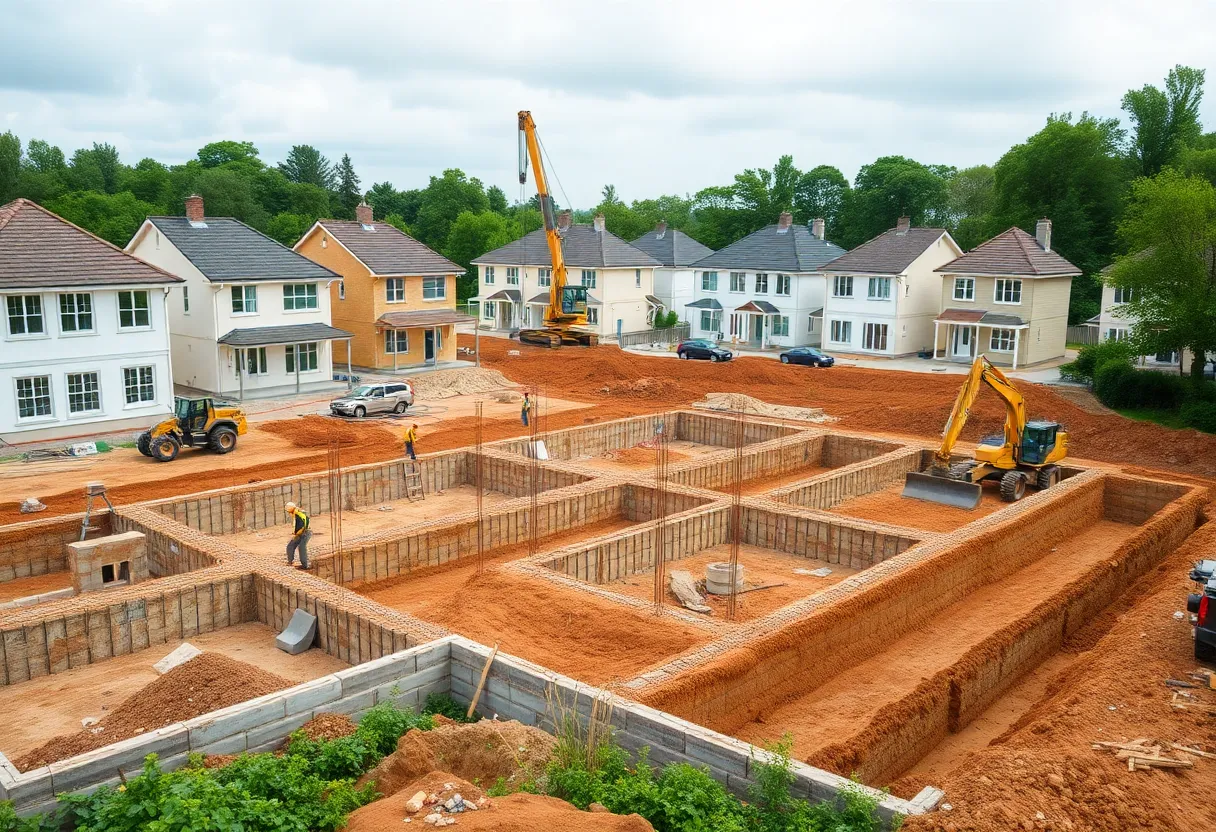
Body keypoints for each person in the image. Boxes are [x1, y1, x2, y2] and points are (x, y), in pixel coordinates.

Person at [284, 502, 311, 569]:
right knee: (290, 545)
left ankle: (305, 565)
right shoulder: (296, 513)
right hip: (300, 532)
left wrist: (297, 534)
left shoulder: (299, 514)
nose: (288, 513)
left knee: (302, 547)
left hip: (305, 532)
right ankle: (290, 561)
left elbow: (303, 525)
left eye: (288, 511)